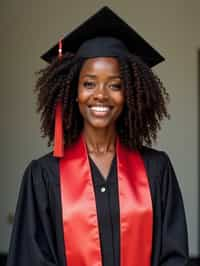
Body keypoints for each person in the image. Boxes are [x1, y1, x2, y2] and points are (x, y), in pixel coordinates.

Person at [6, 6, 188, 266]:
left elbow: (174, 256)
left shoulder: (157, 170)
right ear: (73, 91)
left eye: (115, 85)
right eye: (89, 83)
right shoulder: (43, 176)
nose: (101, 94)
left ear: (130, 94)